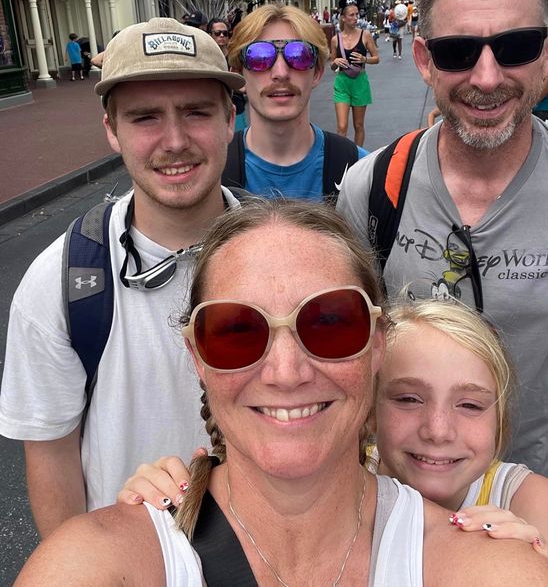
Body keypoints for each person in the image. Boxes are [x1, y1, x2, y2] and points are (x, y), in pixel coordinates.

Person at [14, 199, 547, 586]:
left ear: (377, 346)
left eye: (330, 323)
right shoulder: (95, 567)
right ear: (196, 355)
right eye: (236, 330)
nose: (286, 371)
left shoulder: (489, 567)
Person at [0, 17, 245, 538]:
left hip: (269, 553)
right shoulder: (60, 282)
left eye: (196, 111)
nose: (174, 140)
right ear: (112, 130)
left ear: (230, 119)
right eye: (145, 118)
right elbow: (51, 452)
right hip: (134, 560)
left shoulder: (283, 257)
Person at [337, 0, 548, 476]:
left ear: (545, 54)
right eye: (458, 52)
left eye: (516, 46)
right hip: (408, 506)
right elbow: (345, 356)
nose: (486, 77)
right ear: (425, 60)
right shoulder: (373, 188)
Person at [371, 298, 548, 553]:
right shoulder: (339, 483)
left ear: (499, 423)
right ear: (371, 412)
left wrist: (536, 566)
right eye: (409, 399)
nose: (438, 431)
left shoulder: (530, 501)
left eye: (470, 406)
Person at [222, 3, 367, 201]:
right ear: (239, 75)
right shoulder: (213, 175)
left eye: (299, 55)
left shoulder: (361, 174)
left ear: (317, 73)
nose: (281, 73)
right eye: (259, 57)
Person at [330, 3, 379, 147]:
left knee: (358, 125)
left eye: (357, 14)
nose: (355, 18)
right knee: (342, 127)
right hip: (342, 83)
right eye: (351, 15)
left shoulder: (366, 35)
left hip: (360, 82)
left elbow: (376, 58)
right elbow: (332, 66)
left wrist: (365, 59)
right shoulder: (335, 39)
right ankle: (343, 157)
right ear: (343, 18)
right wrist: (335, 62)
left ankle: (357, 156)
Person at [207, 17, 247, 132]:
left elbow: (245, 83)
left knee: (238, 141)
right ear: (210, 35)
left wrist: (239, 86)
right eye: (217, 33)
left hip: (236, 106)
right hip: (214, 108)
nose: (222, 36)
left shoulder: (236, 57)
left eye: (225, 33)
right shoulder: (205, 58)